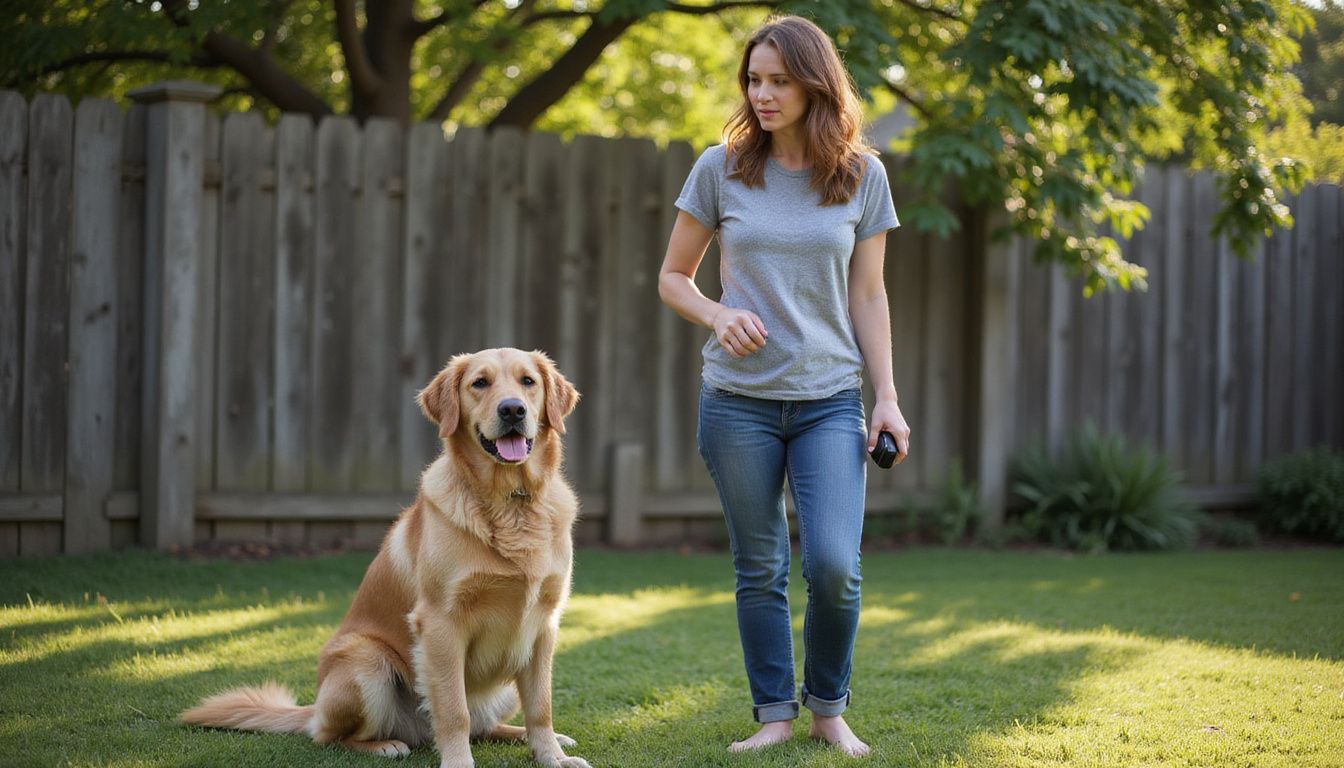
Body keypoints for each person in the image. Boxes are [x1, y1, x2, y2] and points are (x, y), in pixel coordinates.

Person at [657, 14, 911, 758]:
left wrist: (887, 396)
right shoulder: (721, 167)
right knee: (760, 563)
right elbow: (673, 278)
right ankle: (774, 712)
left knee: (834, 564)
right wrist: (716, 311)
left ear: (814, 84)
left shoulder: (863, 175)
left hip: (830, 398)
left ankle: (828, 708)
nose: (761, 94)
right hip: (737, 403)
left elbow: (869, 295)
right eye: (753, 80)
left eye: (778, 81)